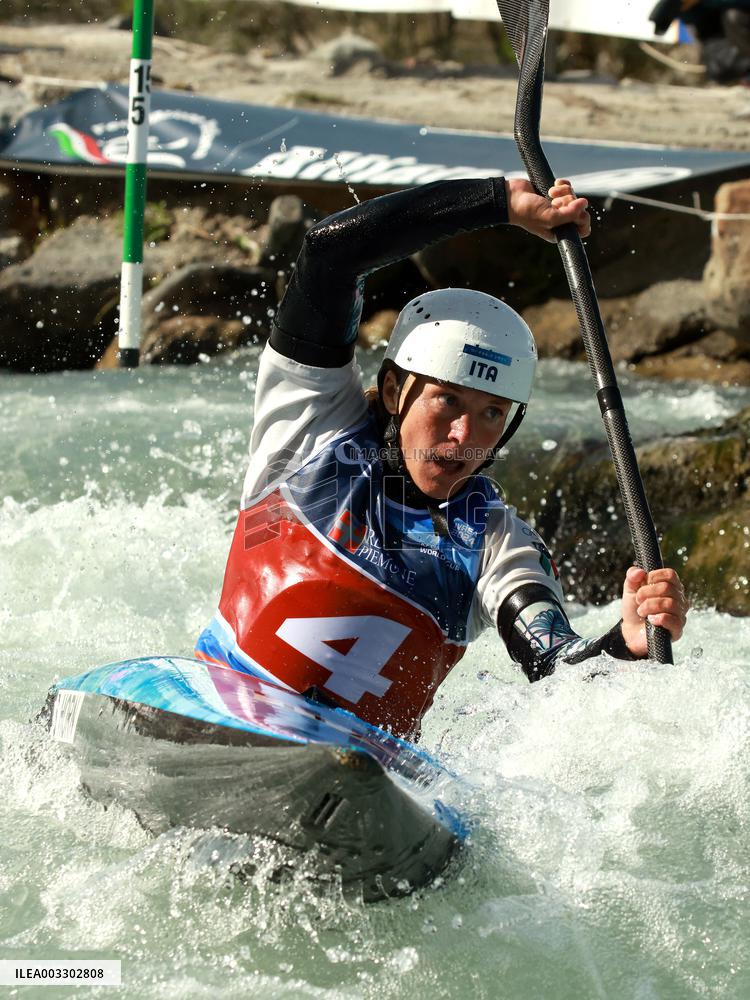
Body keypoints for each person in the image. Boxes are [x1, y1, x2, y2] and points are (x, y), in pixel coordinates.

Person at [196, 176, 688, 739]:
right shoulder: (309, 428)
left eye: (491, 413)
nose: (462, 436)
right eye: (446, 400)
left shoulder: (494, 540)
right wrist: (497, 202)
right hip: (224, 710)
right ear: (392, 392)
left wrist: (623, 644)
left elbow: (558, 670)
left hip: (359, 779)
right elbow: (330, 253)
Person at [651, 0, 750, 84]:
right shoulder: (676, 6)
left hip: (738, 24)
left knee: (734, 16)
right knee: (719, 71)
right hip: (719, 39)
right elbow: (660, 20)